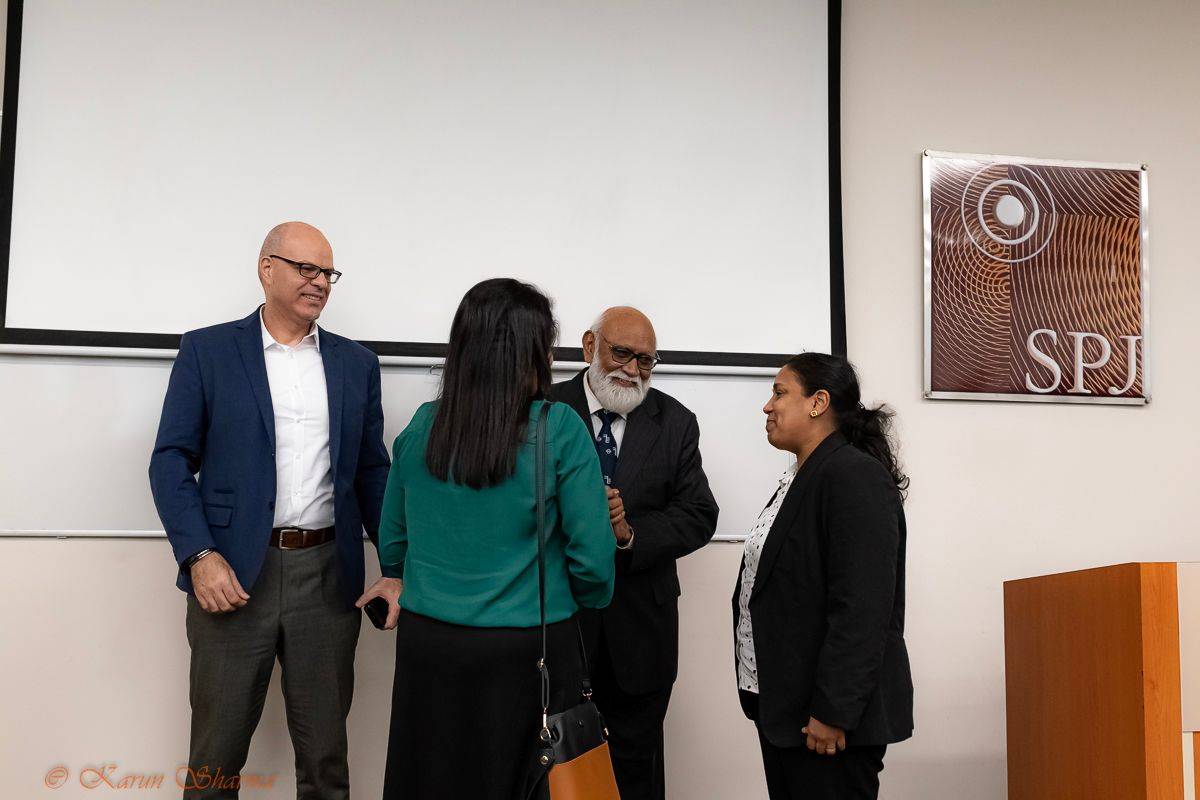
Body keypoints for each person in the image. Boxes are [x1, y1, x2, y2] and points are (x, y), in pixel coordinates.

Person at [148, 221, 400, 799]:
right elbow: (170, 461)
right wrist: (200, 555)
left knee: (326, 765)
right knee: (214, 764)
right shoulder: (208, 351)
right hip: (233, 574)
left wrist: (394, 566)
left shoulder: (357, 364)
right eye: (306, 268)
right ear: (267, 269)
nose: (320, 282)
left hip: (328, 578)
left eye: (328, 272)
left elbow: (372, 472)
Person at [363, 278, 616, 800]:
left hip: (429, 649)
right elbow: (594, 564)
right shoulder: (560, 427)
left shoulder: (423, 425)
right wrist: (579, 602)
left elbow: (393, 545)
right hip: (528, 652)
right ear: (532, 351)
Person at [549, 306, 719, 800]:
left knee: (635, 777)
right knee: (551, 776)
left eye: (645, 360)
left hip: (641, 637)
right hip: (556, 627)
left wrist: (628, 534)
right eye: (621, 353)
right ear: (589, 346)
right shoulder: (542, 407)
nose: (632, 370)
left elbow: (698, 514)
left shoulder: (676, 421)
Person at [733, 353, 913, 800]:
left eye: (780, 393)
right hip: (784, 710)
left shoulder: (853, 475)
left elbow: (862, 609)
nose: (767, 406)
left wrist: (833, 712)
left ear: (818, 403)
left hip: (827, 723)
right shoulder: (800, 478)